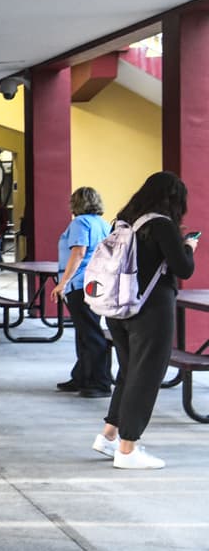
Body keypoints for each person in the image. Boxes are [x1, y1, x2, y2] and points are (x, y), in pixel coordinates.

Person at [92, 172, 198, 470]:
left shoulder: (124, 222)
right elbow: (183, 268)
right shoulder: (162, 225)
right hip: (151, 311)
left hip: (117, 307)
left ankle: (109, 435)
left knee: (129, 371)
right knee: (147, 375)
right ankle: (128, 449)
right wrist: (189, 246)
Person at [51, 187, 113, 399]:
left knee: (90, 333)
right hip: (97, 282)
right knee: (86, 331)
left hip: (80, 283)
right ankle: (82, 376)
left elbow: (79, 252)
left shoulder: (80, 223)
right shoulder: (103, 224)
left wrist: (63, 282)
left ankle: (100, 382)